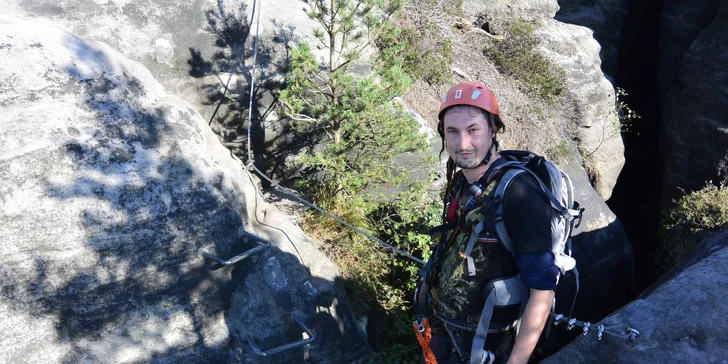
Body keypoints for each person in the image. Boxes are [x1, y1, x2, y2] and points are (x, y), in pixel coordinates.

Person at [416, 82, 558, 364]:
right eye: (452, 132)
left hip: (487, 344)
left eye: (473, 130)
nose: (462, 144)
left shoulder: (520, 194)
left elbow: (543, 289)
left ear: (493, 130)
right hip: (446, 330)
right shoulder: (463, 183)